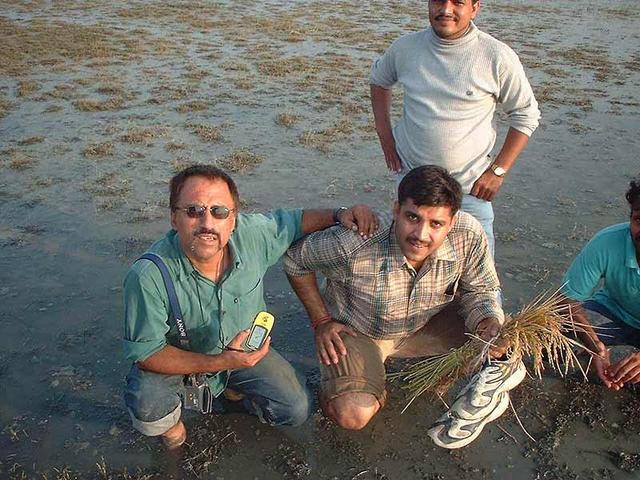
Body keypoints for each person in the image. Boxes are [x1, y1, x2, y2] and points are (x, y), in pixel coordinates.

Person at [123, 164, 378, 448]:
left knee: (295, 409)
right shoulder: (148, 275)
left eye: (219, 212)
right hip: (181, 360)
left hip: (245, 354)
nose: (207, 223)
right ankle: (173, 433)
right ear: (174, 218)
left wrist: (339, 213)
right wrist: (219, 362)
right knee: (148, 403)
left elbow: (295, 221)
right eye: (193, 211)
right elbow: (147, 353)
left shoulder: (252, 235)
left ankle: (232, 389)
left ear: (233, 220)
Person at [284, 165, 525, 448]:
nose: (421, 234)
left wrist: (487, 322)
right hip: (360, 333)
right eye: (412, 217)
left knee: (503, 339)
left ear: (452, 221)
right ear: (396, 210)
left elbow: (480, 289)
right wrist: (321, 321)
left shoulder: (468, 234)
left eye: (436, 224)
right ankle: (354, 383)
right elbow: (295, 260)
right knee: (353, 414)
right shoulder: (356, 241)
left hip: (427, 325)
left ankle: (489, 388)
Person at [370, 0, 540, 254]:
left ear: (475, 7)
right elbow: (379, 81)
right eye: (438, 1)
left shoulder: (496, 55)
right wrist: (386, 137)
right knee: (403, 269)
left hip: (470, 190)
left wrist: (498, 170)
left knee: (480, 282)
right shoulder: (405, 48)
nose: (446, 10)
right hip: (410, 187)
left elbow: (526, 115)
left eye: (458, 2)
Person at [561, 177, 640, 391]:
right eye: (638, 220)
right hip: (614, 311)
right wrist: (595, 346)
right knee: (556, 339)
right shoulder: (607, 242)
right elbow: (567, 299)